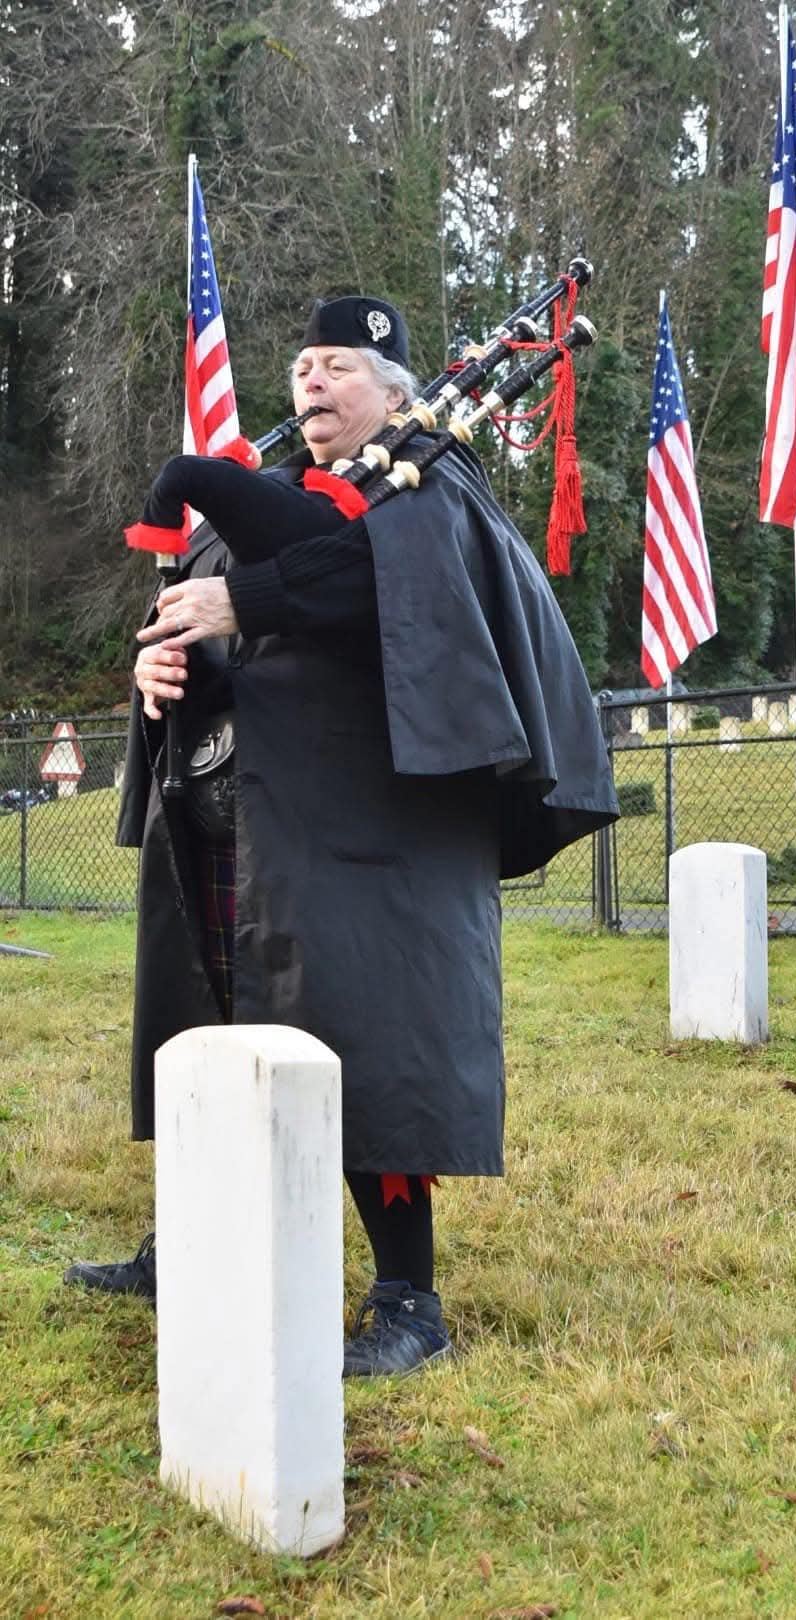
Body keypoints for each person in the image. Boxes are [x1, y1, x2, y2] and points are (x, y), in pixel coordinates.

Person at [64, 293, 619, 1377]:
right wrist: (155, 672)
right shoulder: (258, 504)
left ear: (393, 391)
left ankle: (410, 1299)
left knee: (367, 1044)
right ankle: (195, 1242)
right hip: (234, 816)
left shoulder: (429, 489)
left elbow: (402, 605)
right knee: (217, 1033)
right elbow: (190, 616)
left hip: (366, 831)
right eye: (304, 367)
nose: (312, 383)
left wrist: (244, 603)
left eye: (339, 368)